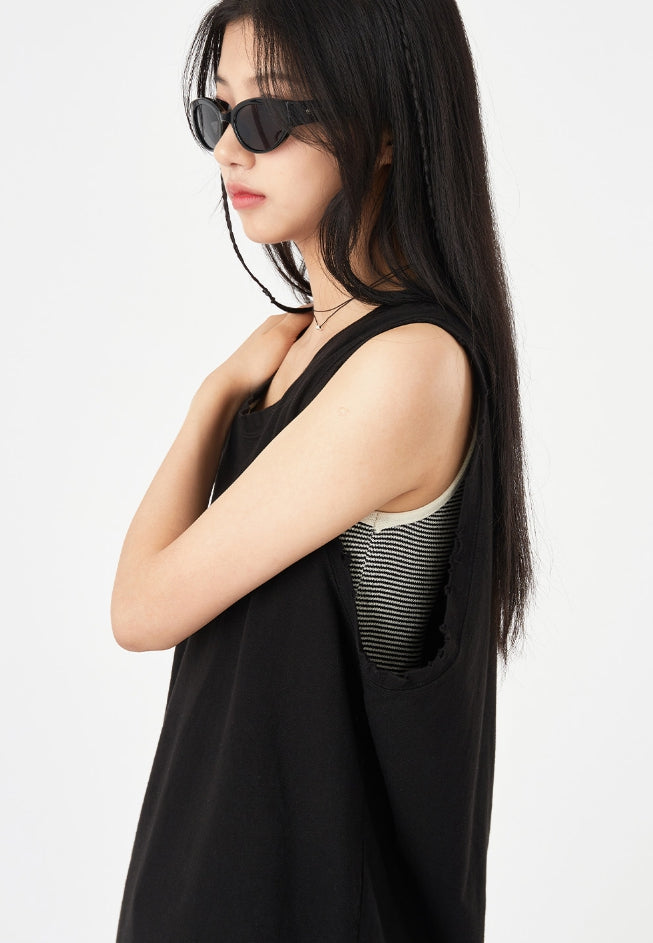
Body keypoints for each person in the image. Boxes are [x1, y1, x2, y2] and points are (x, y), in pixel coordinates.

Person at [112, 0, 533, 939]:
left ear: (383, 130)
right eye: (215, 112)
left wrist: (213, 397)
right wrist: (234, 384)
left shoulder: (405, 365)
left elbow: (141, 608)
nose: (230, 150)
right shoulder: (306, 351)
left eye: (268, 114)